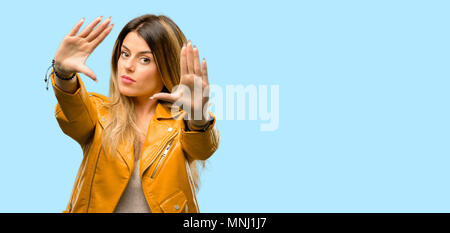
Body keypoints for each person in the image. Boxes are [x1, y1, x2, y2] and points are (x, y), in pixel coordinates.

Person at [48, 14, 220, 213]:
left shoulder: (183, 124)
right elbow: (73, 111)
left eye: (145, 59)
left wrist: (198, 116)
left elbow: (203, 148)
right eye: (125, 54)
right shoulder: (98, 114)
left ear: (166, 67)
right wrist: (63, 75)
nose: (128, 66)